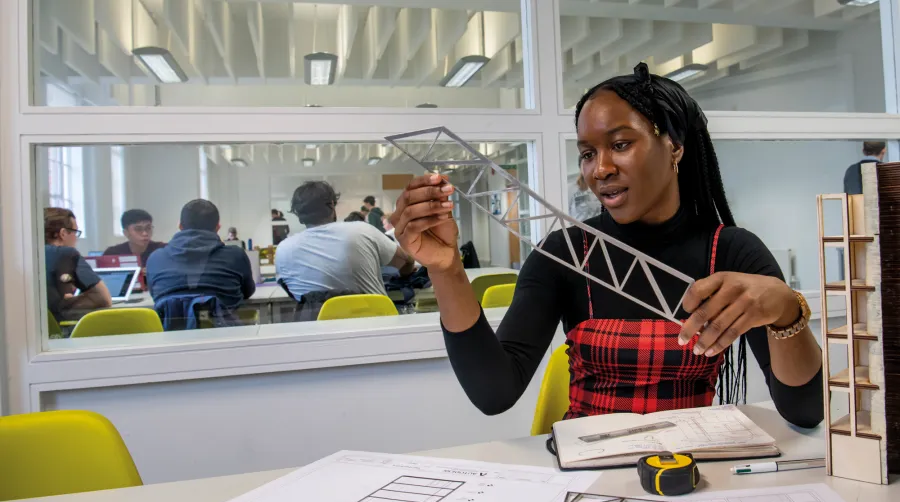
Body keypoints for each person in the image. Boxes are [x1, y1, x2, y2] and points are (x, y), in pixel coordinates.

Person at [388, 62, 824, 429]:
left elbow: (805, 411)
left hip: (688, 475)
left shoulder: (732, 254)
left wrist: (787, 310)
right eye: (587, 153)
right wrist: (446, 270)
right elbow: (494, 393)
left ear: (673, 146)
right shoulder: (563, 255)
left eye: (619, 145)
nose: (600, 169)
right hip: (585, 477)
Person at [276, 181, 415, 299]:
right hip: (374, 323)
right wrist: (403, 275)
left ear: (298, 215)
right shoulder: (361, 231)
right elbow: (406, 261)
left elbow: (293, 294)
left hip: (316, 327)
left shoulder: (283, 250)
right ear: (331, 205)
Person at [146, 199, 255, 313]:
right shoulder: (235, 255)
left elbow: (155, 295)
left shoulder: (155, 258)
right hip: (227, 329)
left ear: (180, 226)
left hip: (171, 329)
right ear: (218, 227)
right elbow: (247, 292)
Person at [44, 207, 112, 320]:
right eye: (76, 232)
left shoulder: (24, 255)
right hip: (60, 331)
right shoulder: (67, 254)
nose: (76, 238)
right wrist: (62, 306)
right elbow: (103, 298)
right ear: (63, 233)